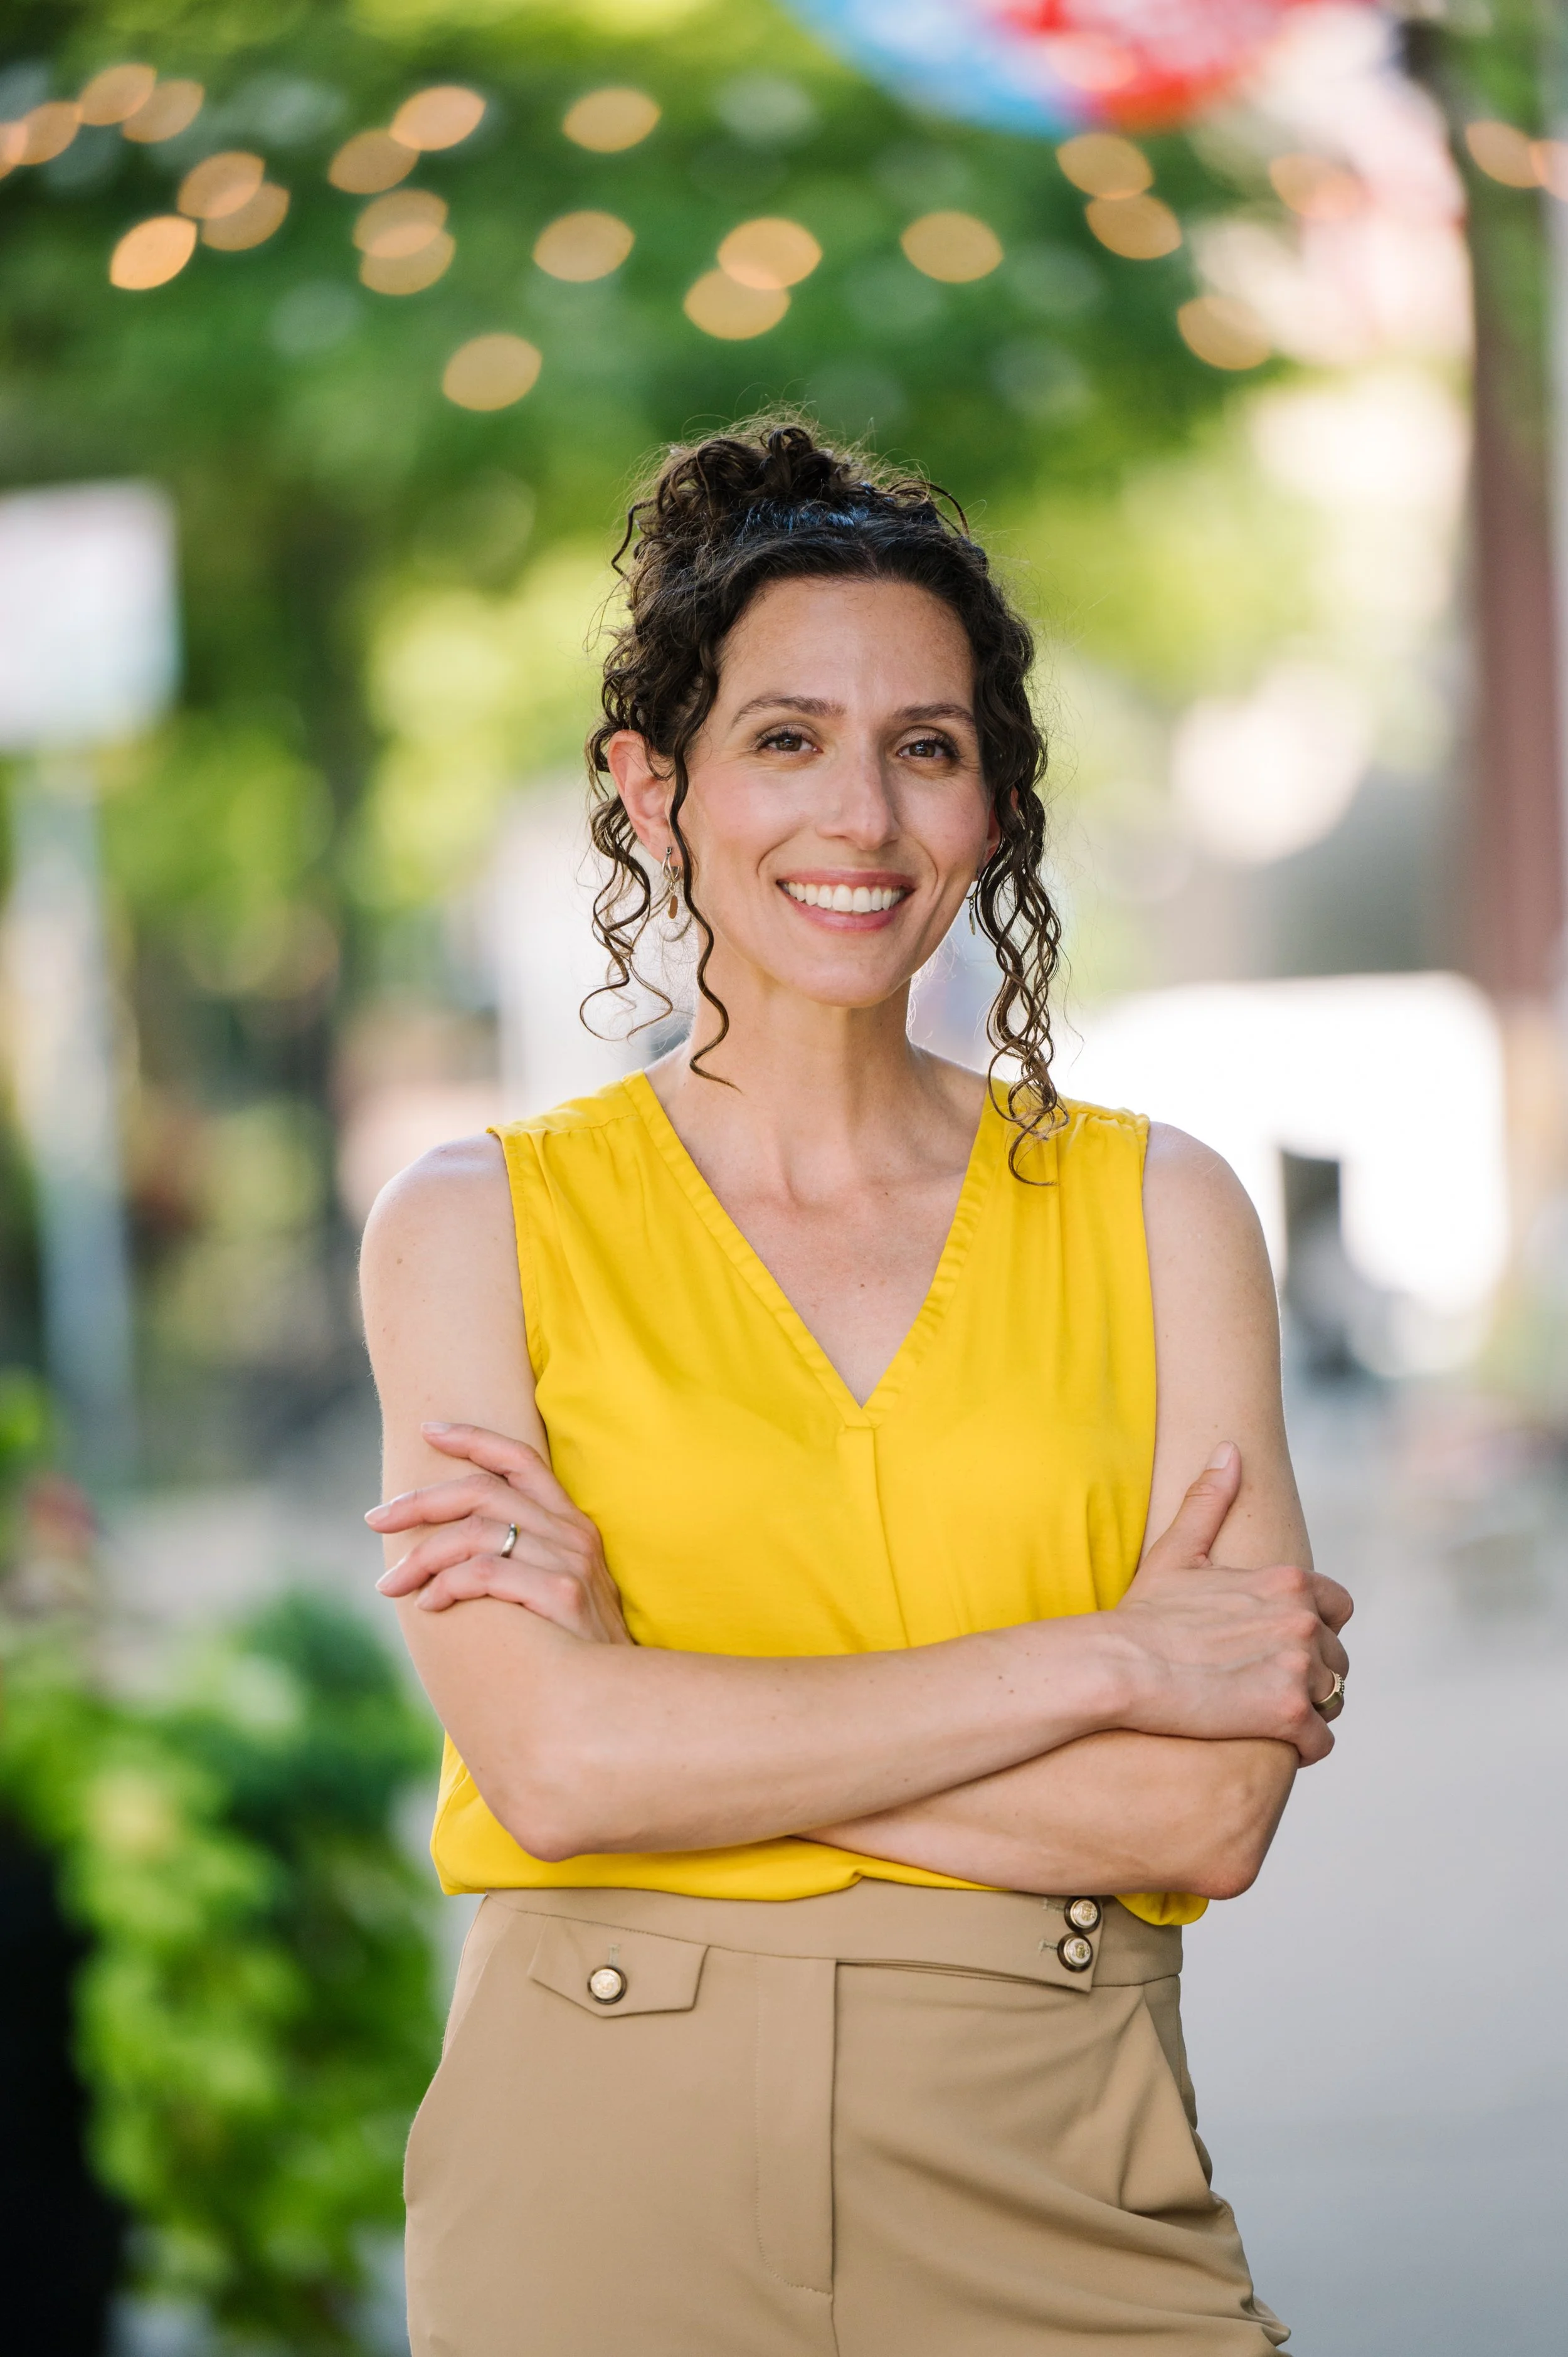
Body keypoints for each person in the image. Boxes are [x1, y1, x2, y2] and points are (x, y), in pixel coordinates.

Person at [360, 420, 1350, 2357]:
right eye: (785, 737)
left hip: (1059, 2150)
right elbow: (555, 1773)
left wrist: (670, 1718)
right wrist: (1105, 1660)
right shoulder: (474, 1223)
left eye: (927, 746)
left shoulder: (1159, 1209)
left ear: (993, 801)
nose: (863, 819)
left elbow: (1211, 1805)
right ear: (655, 790)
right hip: (596, 2153)